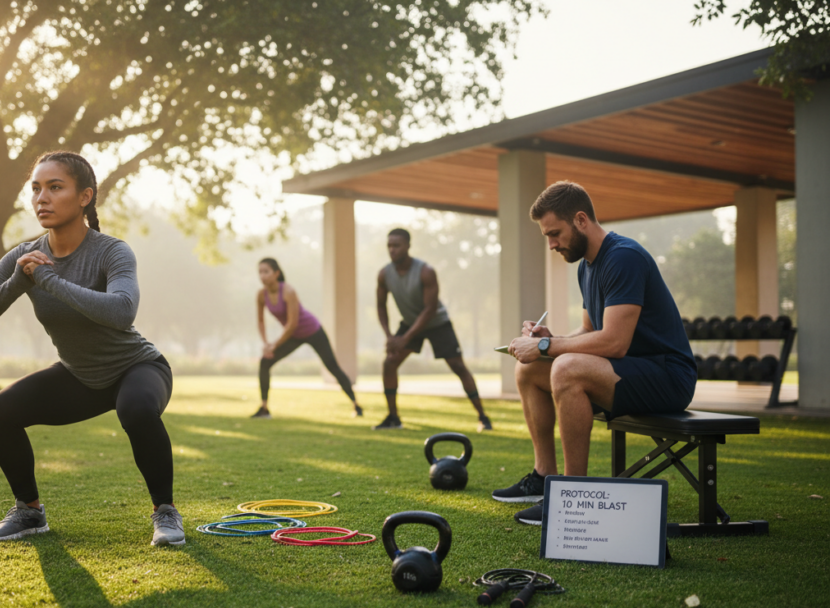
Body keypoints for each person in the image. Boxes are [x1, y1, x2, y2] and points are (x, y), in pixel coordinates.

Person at [0, 150, 184, 546]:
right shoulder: (22, 257)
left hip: (137, 368)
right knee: (1, 411)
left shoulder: (111, 251)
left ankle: (165, 512)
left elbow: (122, 312)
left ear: (84, 197)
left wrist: (50, 281)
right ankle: (29, 512)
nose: (41, 198)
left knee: (135, 408)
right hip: (80, 376)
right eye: (36, 189)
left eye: (55, 187)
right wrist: (18, 281)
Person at [497, 181, 696, 525]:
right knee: (529, 370)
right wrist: (550, 339)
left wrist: (547, 346)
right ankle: (544, 477)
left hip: (667, 377)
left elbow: (614, 342)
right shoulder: (586, 266)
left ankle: (570, 496)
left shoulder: (623, 257)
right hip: (626, 371)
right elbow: (590, 332)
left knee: (567, 368)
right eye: (547, 236)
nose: (551, 244)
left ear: (581, 220)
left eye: (555, 233)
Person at [374, 228, 492, 431]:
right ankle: (393, 418)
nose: (392, 250)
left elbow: (429, 310)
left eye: (397, 245)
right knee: (389, 363)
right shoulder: (384, 274)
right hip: (410, 322)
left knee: (458, 366)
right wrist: (390, 336)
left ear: (408, 246)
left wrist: (406, 338)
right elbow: (380, 305)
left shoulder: (425, 271)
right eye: (389, 246)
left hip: (437, 323)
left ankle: (483, 417)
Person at [252, 257, 362, 419]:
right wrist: (266, 344)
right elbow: (261, 321)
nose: (262, 276)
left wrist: (274, 345)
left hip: (312, 331)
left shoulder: (288, 291)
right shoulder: (261, 295)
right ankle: (264, 408)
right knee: (265, 362)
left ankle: (355, 404)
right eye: (260, 272)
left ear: (276, 273)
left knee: (332, 367)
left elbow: (292, 324)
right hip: (293, 336)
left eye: (266, 272)